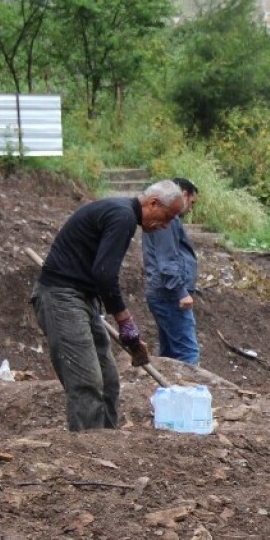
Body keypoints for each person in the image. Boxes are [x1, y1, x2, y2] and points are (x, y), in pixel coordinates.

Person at [31, 180, 184, 431]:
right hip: (61, 296)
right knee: (87, 381)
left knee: (109, 380)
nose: (165, 226)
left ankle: (108, 444)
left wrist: (127, 329)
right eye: (167, 218)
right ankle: (89, 449)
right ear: (153, 204)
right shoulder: (122, 216)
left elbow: (100, 275)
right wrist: (126, 324)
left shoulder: (122, 214)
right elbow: (104, 274)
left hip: (84, 297)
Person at [143, 177, 201, 366]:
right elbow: (167, 262)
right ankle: (190, 394)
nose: (191, 208)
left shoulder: (167, 219)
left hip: (165, 292)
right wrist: (181, 291)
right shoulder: (166, 219)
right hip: (169, 294)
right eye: (192, 202)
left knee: (170, 356)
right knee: (187, 353)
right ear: (184, 195)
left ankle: (170, 393)